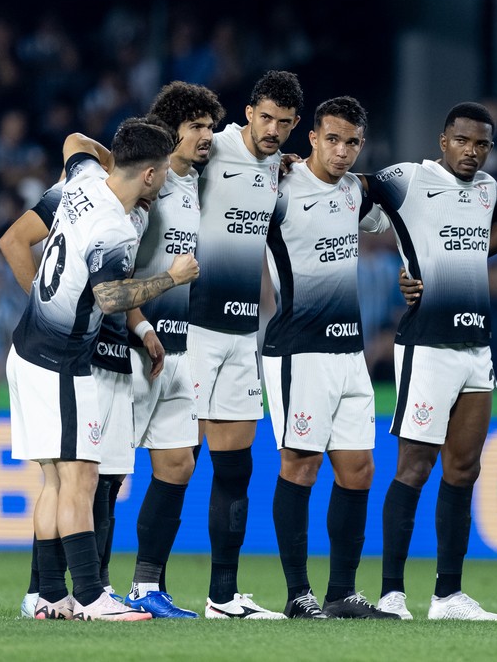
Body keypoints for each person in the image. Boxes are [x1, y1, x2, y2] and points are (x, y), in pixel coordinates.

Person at [6, 118, 198, 620]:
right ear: (152, 175)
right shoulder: (115, 226)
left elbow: (72, 140)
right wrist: (169, 278)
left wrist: (106, 156)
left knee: (54, 480)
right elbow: (111, 296)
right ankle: (93, 597)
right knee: (81, 479)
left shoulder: (85, 179)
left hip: (28, 350)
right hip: (62, 360)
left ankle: (50, 596)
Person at [363, 102, 497, 621]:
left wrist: (445, 264)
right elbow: (352, 187)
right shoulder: (408, 179)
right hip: (427, 346)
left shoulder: (490, 190)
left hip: (476, 348)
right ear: (443, 141)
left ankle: (448, 595)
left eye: (482, 144)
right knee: (414, 467)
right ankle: (392, 593)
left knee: (464, 469)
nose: (472, 151)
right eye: (463, 141)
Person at [262, 96, 397, 620]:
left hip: (349, 350)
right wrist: (272, 161)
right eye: (333, 139)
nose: (342, 152)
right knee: (300, 465)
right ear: (311, 137)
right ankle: (299, 594)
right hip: (298, 349)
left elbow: (403, 220)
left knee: (359, 469)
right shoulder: (278, 188)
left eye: (353, 142)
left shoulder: (356, 193)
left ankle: (342, 592)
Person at [189, 70, 303, 620]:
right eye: (266, 118)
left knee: (235, 470)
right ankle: (142, 588)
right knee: (173, 461)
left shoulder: (280, 170)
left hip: (241, 335)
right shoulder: (214, 147)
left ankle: (222, 596)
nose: (274, 130)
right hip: (190, 329)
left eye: (284, 123)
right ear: (248, 111)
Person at [122, 82, 225, 618]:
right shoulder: (145, 187)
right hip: (131, 345)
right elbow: (116, 272)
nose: (206, 136)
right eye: (197, 127)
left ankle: (145, 587)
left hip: (180, 348)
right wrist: (139, 326)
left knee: (179, 465)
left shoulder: (194, 185)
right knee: (104, 474)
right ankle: (63, 587)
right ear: (171, 131)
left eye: (211, 127)